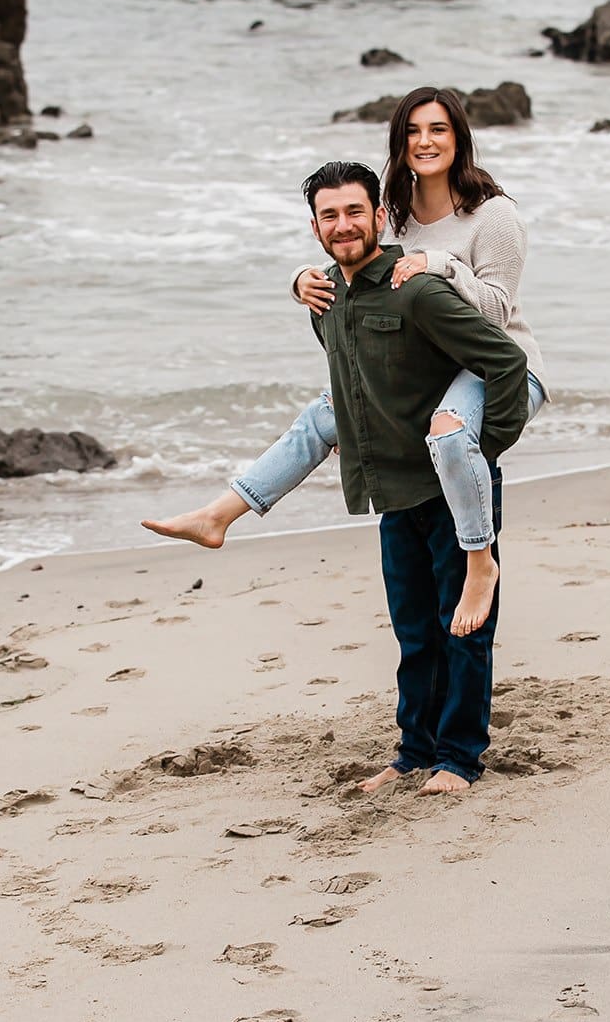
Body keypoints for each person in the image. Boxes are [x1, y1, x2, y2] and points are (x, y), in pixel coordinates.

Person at [142, 87, 548, 637]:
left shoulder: (493, 215)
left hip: (499, 366)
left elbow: (498, 314)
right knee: (321, 417)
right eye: (412, 131)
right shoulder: (394, 213)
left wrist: (440, 263)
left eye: (438, 129)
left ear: (460, 137)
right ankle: (218, 515)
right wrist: (300, 281)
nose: (425, 142)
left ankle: (481, 562)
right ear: (398, 143)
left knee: (450, 433)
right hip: (428, 369)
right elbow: (360, 262)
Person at [289, 159, 529, 794]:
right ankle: (413, 752)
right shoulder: (326, 303)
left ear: (378, 216)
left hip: (452, 486)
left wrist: (483, 450)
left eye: (354, 211)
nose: (343, 225)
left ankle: (459, 758)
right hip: (395, 489)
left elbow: (505, 360)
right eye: (329, 215)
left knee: (463, 628)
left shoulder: (417, 290)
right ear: (314, 228)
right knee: (414, 634)